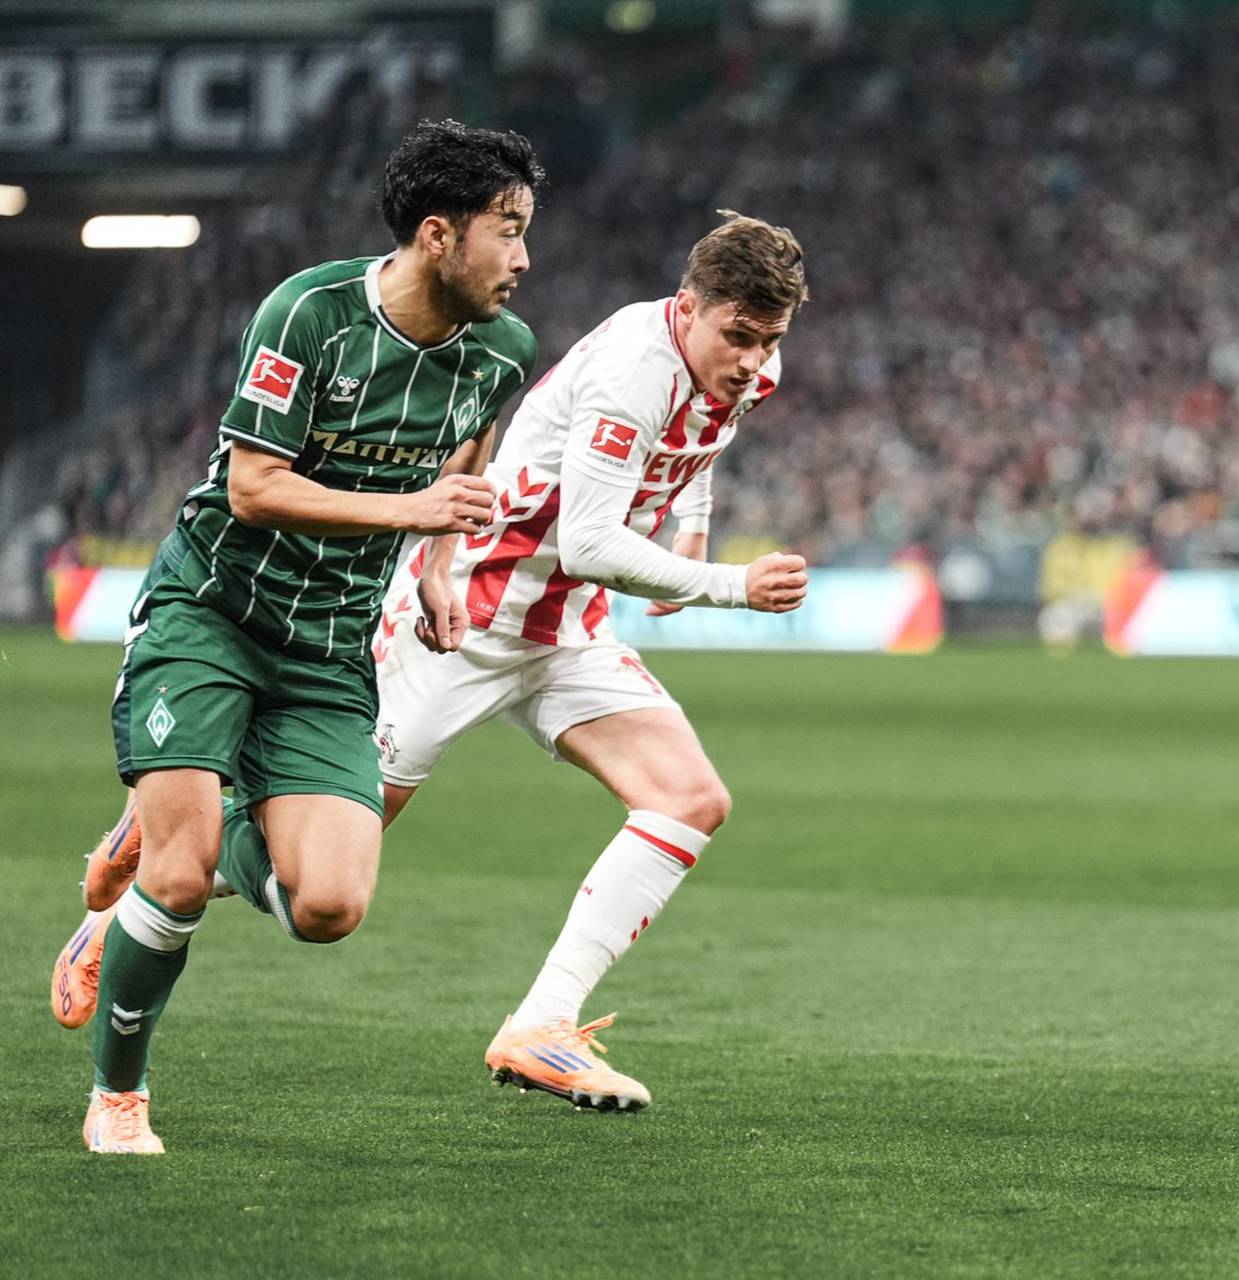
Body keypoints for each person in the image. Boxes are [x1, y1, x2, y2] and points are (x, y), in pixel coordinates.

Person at [66, 212, 811, 1116]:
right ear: (687, 307)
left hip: (566, 628)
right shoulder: (629, 374)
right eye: (737, 336)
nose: (751, 360)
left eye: (768, 339)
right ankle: (139, 885)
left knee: (692, 798)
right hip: (467, 617)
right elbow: (586, 541)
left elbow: (699, 442)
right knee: (329, 869)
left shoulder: (746, 363)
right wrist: (724, 583)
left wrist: (689, 528)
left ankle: (542, 1025)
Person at [48, 119, 544, 1154]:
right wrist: (412, 519)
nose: (525, 258)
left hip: (328, 647)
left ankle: (155, 832)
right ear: (439, 235)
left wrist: (444, 567)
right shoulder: (309, 313)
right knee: (180, 880)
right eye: (510, 230)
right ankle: (119, 1097)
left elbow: (467, 460)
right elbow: (254, 486)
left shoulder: (504, 350)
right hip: (213, 614)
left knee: (328, 905)